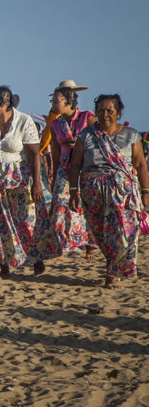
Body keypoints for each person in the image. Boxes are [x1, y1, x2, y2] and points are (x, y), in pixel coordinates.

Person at [0, 86, 57, 278]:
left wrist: (37, 184)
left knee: (25, 220)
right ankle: (4, 264)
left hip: (18, 177)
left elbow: (34, 154)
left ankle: (35, 258)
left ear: (4, 104)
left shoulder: (24, 121)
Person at [69, 94, 149, 289]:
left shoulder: (131, 135)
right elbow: (75, 164)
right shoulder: (86, 135)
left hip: (123, 195)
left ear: (119, 113)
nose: (105, 114)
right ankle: (112, 264)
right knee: (100, 234)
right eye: (101, 111)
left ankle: (112, 273)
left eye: (110, 111)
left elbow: (139, 164)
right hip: (93, 193)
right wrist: (73, 191)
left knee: (121, 232)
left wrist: (146, 191)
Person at [48, 80, 96, 257]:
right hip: (65, 168)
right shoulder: (55, 124)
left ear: (68, 102)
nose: (53, 104)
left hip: (85, 168)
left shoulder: (87, 118)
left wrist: (81, 144)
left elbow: (100, 140)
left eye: (56, 101)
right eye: (52, 101)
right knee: (61, 204)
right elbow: (55, 150)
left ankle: (90, 244)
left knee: (86, 206)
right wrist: (53, 172)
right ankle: (66, 243)